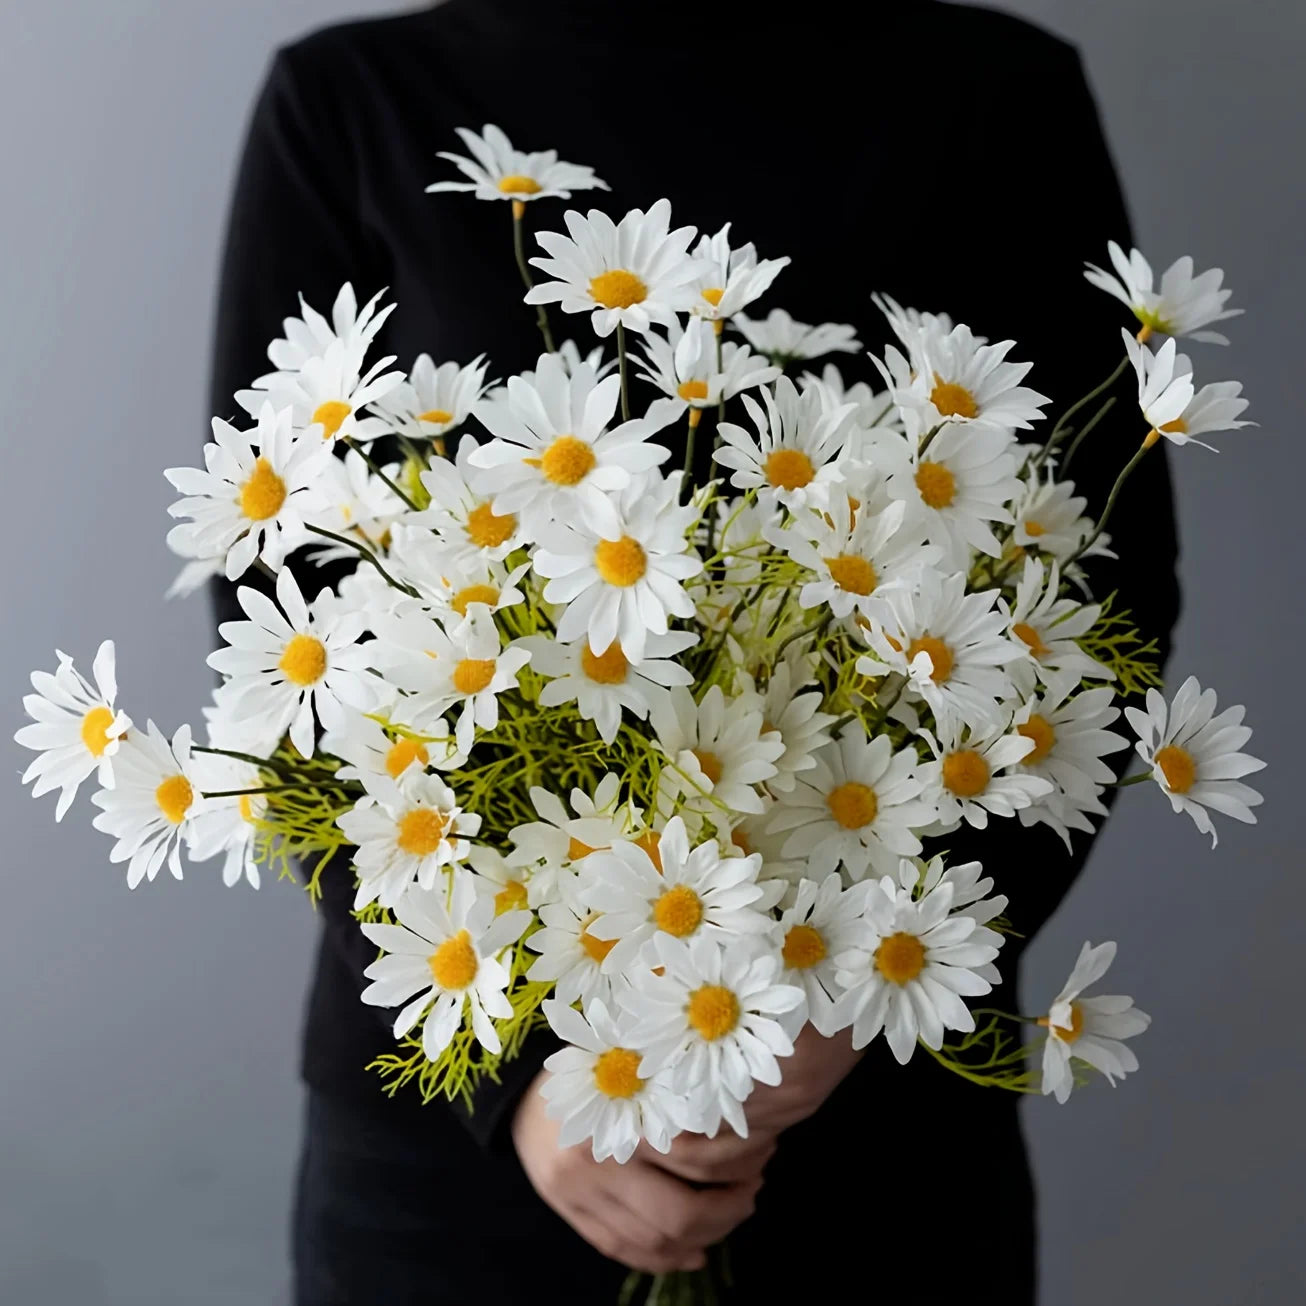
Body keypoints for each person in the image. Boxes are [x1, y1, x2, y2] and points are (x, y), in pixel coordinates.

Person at [209, 2, 1181, 1301]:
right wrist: (526, 1077)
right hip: (472, 1126)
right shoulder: (351, 99)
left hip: (866, 1098)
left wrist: (864, 982)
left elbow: (1102, 597)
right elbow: (271, 619)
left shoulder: (997, 93)